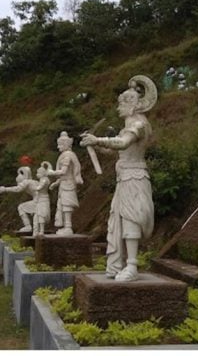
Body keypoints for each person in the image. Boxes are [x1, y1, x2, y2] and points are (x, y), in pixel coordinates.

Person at [80, 75, 157, 282]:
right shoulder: (129, 126)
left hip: (135, 176)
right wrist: (97, 145)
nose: (118, 108)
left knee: (131, 219)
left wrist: (98, 139)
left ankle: (132, 265)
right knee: (120, 221)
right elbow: (117, 151)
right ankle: (121, 263)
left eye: (122, 104)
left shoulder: (139, 125)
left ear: (133, 105)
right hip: (124, 178)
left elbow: (122, 143)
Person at [47, 131, 83, 236]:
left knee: (67, 206)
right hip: (64, 183)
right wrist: (56, 183)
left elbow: (63, 171)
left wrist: (51, 173)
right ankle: (65, 226)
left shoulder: (67, 155)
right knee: (62, 206)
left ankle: (68, 227)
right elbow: (63, 175)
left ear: (66, 144)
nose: (58, 147)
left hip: (68, 184)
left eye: (60, 145)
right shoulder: (65, 155)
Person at [0, 166, 38, 232]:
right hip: (42, 200)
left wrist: (5, 189)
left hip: (38, 201)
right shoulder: (34, 181)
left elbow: (17, 189)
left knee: (21, 207)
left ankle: (28, 226)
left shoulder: (26, 182)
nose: (19, 184)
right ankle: (35, 227)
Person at [33, 162, 53, 236]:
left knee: (42, 214)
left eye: (38, 172)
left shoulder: (44, 180)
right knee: (39, 215)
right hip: (40, 199)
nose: (37, 174)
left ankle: (42, 230)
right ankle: (39, 230)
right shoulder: (42, 180)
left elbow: (39, 188)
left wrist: (34, 187)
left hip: (43, 199)